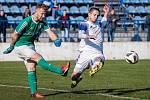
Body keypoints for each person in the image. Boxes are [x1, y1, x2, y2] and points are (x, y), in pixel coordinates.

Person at [3, 4, 70, 98]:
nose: (43, 16)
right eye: (42, 14)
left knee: (31, 67)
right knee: (38, 57)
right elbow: (15, 34)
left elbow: (50, 32)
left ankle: (34, 93)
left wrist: (56, 39)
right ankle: (61, 71)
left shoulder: (43, 22)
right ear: (36, 11)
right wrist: (11, 46)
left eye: (45, 14)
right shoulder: (27, 21)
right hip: (21, 46)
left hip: (30, 46)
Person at [71, 5, 110, 88]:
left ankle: (95, 67)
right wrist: (89, 36)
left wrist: (106, 13)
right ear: (89, 14)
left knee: (99, 59)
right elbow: (80, 35)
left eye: (97, 15)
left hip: (97, 51)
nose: (96, 17)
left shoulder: (98, 24)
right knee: (73, 76)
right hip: (85, 53)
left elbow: (104, 21)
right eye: (94, 15)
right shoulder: (84, 24)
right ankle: (78, 78)